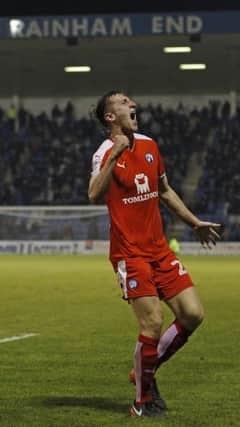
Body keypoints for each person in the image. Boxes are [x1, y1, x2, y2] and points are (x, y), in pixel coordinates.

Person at [88, 91, 221, 418]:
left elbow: (163, 189)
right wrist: (116, 154)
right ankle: (142, 401)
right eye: (123, 102)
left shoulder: (149, 145)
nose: (131, 105)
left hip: (158, 250)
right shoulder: (105, 151)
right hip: (129, 254)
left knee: (193, 314)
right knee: (152, 324)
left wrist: (193, 223)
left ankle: (143, 371)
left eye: (131, 102)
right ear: (110, 117)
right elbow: (94, 193)